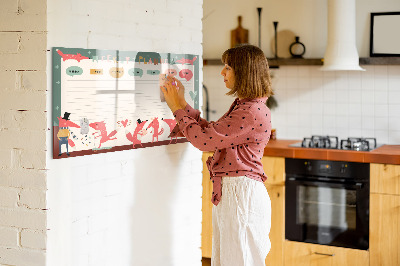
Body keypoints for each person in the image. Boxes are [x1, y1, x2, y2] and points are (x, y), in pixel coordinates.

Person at [161, 44, 273, 266]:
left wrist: (176, 108)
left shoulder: (250, 111)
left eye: (228, 67)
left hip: (241, 195)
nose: (222, 72)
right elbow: (212, 133)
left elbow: (204, 141)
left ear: (244, 72)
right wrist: (183, 104)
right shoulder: (246, 106)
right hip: (236, 193)